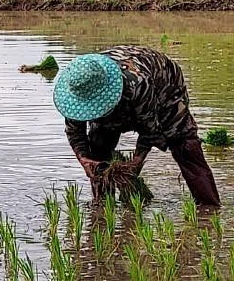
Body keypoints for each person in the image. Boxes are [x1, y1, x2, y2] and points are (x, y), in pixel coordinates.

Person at [54, 46, 220, 206]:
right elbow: (75, 133)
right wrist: (85, 160)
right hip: (114, 88)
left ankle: (208, 207)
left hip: (164, 84)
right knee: (98, 147)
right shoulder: (75, 93)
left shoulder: (138, 84)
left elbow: (150, 129)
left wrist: (136, 161)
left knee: (184, 143)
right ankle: (102, 207)